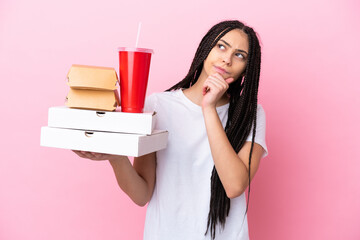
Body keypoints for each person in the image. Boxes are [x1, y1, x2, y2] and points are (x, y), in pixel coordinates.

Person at [73, 20, 268, 240]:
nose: (227, 58)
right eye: (221, 46)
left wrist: (209, 108)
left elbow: (234, 186)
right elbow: (142, 193)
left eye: (240, 55)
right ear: (206, 48)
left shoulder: (250, 114)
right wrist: (116, 157)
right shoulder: (158, 106)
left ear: (246, 69)